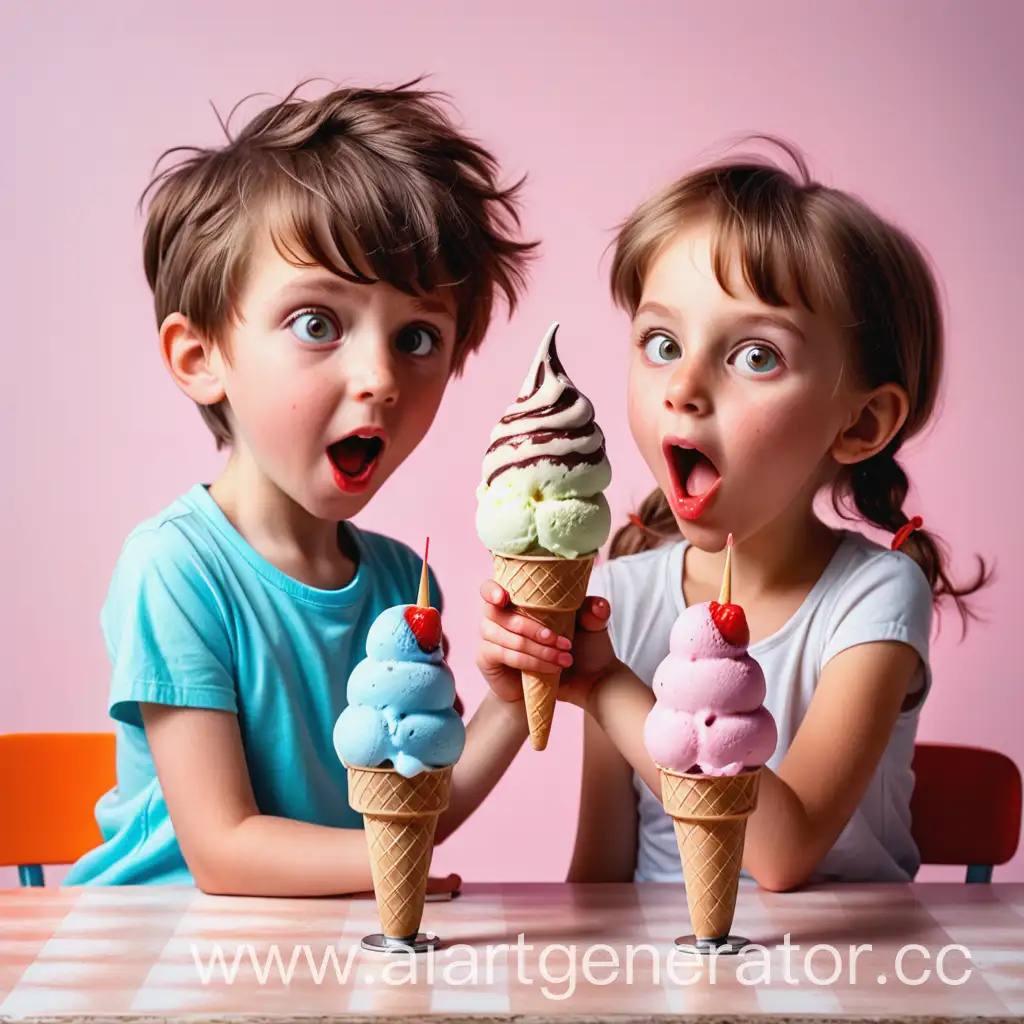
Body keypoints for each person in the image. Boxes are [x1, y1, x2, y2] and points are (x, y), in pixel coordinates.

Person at [477, 138, 991, 891]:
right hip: (667, 980)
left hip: (847, 975)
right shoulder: (620, 597)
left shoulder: (874, 596)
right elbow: (598, 873)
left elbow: (784, 853)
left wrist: (606, 684)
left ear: (862, 424)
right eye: (661, 342)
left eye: (756, 356)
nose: (683, 386)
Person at [65, 79, 539, 894]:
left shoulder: (399, 583)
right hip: (161, 949)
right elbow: (223, 849)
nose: (380, 377)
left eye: (418, 335)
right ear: (200, 356)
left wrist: (516, 694)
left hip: (314, 949)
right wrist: (397, 865)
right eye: (318, 323)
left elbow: (415, 808)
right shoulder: (176, 569)